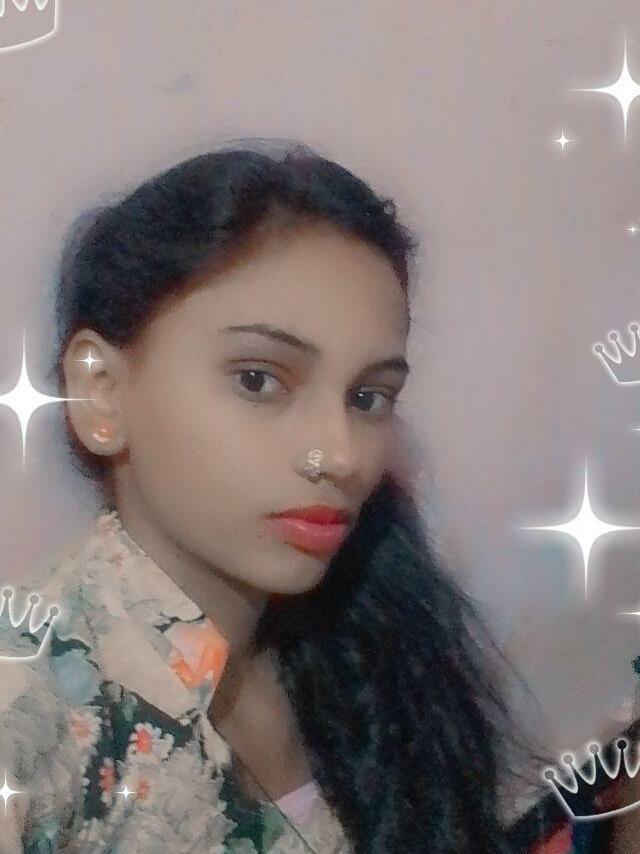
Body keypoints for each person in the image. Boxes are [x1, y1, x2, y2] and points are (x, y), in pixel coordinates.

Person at [0, 138, 571, 853]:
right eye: (259, 380)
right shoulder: (31, 700)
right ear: (101, 392)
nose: (341, 454)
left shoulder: (361, 651)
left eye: (368, 397)